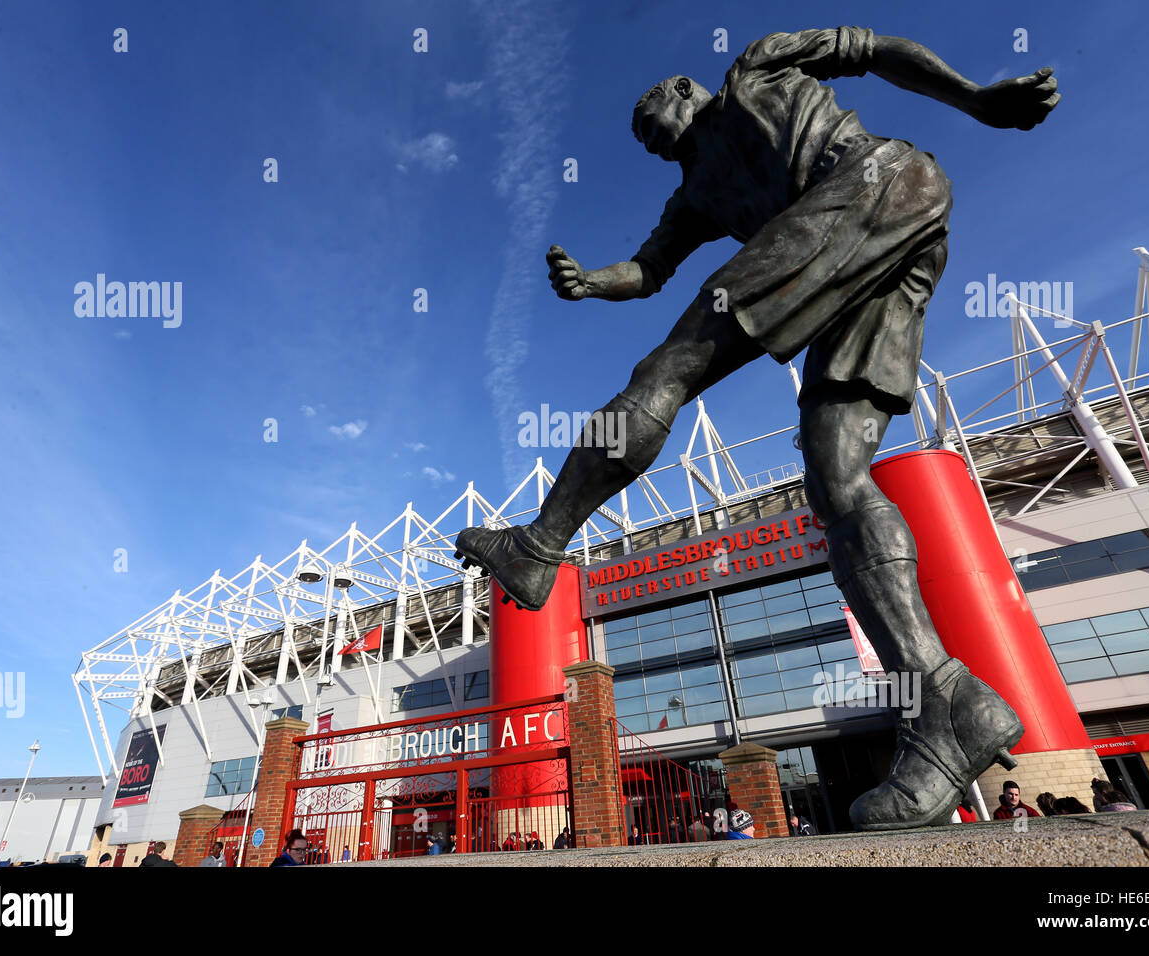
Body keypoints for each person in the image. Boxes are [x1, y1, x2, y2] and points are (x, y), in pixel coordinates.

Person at [454, 26, 1060, 833]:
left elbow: (873, 49)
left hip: (866, 182)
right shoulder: (697, 193)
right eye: (641, 139)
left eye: (649, 120)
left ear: (681, 89)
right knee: (835, 477)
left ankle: (538, 547)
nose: (649, 139)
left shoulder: (756, 65)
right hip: (894, 231)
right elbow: (650, 268)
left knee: (668, 371)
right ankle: (948, 698)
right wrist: (592, 283)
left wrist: (975, 97)